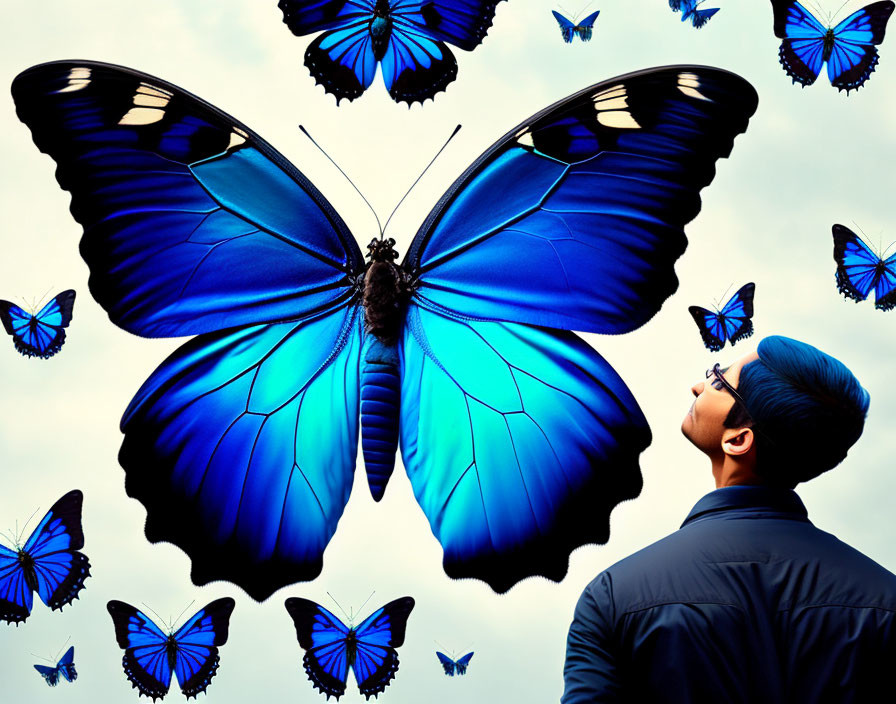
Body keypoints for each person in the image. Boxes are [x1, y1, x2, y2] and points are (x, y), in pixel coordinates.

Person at [561, 335, 896, 703]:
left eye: (719, 381)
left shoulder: (614, 597)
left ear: (738, 440)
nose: (698, 385)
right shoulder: (885, 601)